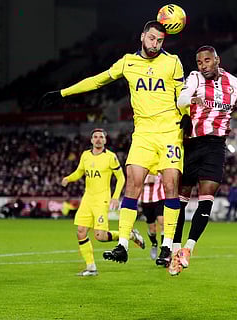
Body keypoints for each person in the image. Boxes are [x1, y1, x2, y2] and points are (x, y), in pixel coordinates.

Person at [41, 21, 186, 266]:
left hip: (170, 132)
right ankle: (123, 245)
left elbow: (183, 96)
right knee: (133, 184)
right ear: (142, 36)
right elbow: (97, 80)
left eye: (160, 40)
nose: (155, 44)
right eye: (151, 38)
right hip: (143, 134)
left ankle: (167, 246)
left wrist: (188, 119)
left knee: (171, 185)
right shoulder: (128, 62)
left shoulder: (173, 62)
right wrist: (63, 93)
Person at [169, 45, 237, 275]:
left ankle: (188, 249)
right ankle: (175, 251)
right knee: (181, 201)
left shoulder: (234, 83)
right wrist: (190, 99)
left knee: (207, 199)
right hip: (190, 143)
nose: (203, 65)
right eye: (199, 62)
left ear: (217, 60)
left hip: (215, 146)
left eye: (207, 61)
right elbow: (182, 99)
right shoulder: (194, 78)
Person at [61, 128, 144, 276]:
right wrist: (68, 178)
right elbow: (79, 172)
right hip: (87, 199)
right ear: (91, 140)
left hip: (101, 199)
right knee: (80, 232)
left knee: (100, 236)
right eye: (95, 137)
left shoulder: (110, 157)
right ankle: (91, 267)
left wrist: (115, 197)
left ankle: (130, 235)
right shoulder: (85, 155)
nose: (98, 139)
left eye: (101, 137)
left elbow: (121, 178)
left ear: (105, 140)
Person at [140, 173, 165, 260]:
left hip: (159, 199)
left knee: (162, 222)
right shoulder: (142, 169)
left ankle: (164, 250)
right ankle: (154, 244)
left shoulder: (159, 168)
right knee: (152, 229)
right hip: (146, 201)